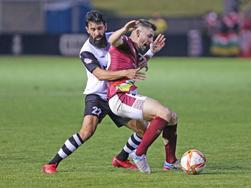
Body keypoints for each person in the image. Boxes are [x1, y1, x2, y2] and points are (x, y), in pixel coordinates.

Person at [42, 10, 165, 174]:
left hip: (119, 94)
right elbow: (100, 74)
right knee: (87, 131)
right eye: (93, 29)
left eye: (99, 28)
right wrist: (125, 73)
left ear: (105, 26)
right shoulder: (86, 51)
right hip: (97, 95)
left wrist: (150, 52)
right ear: (87, 29)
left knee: (144, 131)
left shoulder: (115, 38)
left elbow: (133, 63)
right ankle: (52, 164)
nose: (97, 32)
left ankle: (121, 159)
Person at [107, 19, 179, 173]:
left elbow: (140, 63)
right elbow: (112, 40)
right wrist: (125, 28)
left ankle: (170, 162)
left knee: (172, 117)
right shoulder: (125, 42)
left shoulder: (133, 49)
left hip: (129, 96)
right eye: (149, 36)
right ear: (138, 32)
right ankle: (139, 154)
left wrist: (152, 50)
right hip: (120, 97)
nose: (150, 40)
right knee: (163, 113)